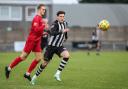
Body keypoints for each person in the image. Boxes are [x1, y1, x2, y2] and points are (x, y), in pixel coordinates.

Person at [5, 4, 48, 81]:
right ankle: (8, 68)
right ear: (38, 9)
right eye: (42, 9)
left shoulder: (40, 19)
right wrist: (44, 25)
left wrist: (43, 33)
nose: (44, 11)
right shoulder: (36, 18)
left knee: (38, 58)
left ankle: (27, 74)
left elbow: (38, 31)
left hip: (37, 40)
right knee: (23, 57)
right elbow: (35, 30)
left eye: (44, 9)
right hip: (31, 40)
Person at [30, 11, 70, 85]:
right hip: (51, 47)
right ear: (57, 17)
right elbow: (52, 33)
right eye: (60, 16)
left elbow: (65, 31)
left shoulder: (65, 23)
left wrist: (66, 36)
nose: (62, 18)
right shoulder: (54, 24)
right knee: (45, 64)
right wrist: (62, 31)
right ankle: (35, 76)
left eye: (63, 16)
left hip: (59, 46)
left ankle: (57, 73)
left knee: (67, 55)